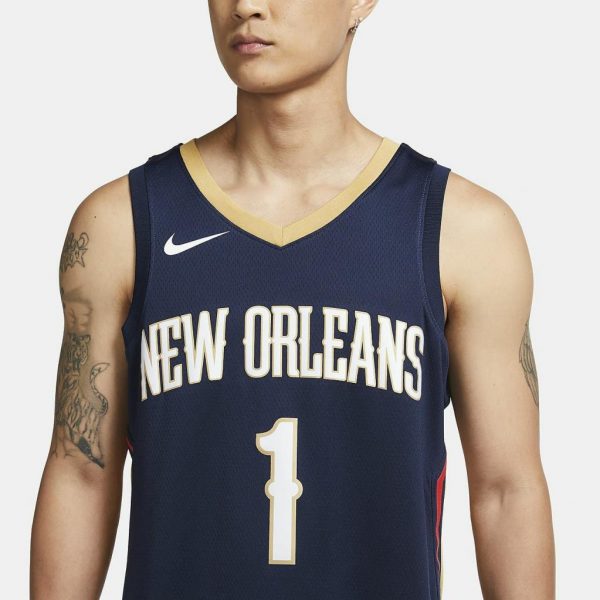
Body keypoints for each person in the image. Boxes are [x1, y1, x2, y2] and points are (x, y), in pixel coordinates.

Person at [30, 1, 555, 598]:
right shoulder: (120, 224)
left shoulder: (463, 231)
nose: (246, 6)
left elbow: (507, 490)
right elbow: (80, 471)